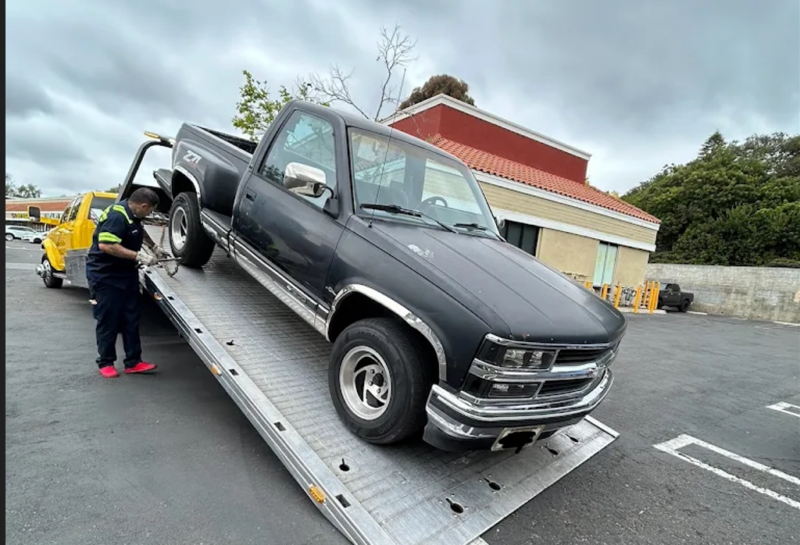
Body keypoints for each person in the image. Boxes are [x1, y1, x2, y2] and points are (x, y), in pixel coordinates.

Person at [86, 187, 169, 378]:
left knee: (131, 318)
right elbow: (106, 245)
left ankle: (133, 362)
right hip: (105, 276)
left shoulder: (133, 215)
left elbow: (138, 231)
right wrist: (138, 256)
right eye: (149, 210)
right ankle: (106, 362)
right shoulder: (116, 216)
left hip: (126, 274)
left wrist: (153, 247)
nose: (149, 214)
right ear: (143, 205)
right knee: (108, 320)